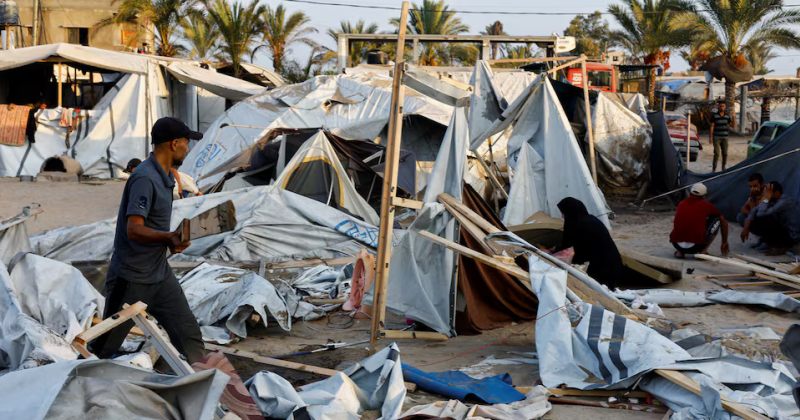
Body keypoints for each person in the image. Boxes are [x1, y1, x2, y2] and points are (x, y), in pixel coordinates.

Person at [90, 117, 205, 363]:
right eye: (186, 143)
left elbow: (154, 228)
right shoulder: (145, 178)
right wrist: (168, 237)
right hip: (131, 279)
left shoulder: (167, 177)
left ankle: (209, 385)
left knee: (189, 335)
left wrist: (174, 240)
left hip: (159, 275)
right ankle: (77, 386)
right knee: (103, 348)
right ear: (175, 144)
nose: (188, 148)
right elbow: (134, 229)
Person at [556, 197, 623, 289]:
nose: (562, 217)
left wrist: (556, 255)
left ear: (571, 212)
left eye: (564, 213)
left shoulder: (581, 225)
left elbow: (577, 250)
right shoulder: (589, 219)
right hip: (612, 264)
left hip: (604, 268)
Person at [670, 183, 730, 258]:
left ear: (690, 193)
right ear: (704, 196)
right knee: (718, 219)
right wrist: (724, 242)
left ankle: (680, 252)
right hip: (695, 247)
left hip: (676, 244)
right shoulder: (706, 205)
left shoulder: (681, 203)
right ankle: (703, 251)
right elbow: (723, 221)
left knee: (683, 221)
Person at [741, 181, 800, 255]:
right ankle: (767, 242)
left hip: (792, 236)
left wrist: (766, 198)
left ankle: (780, 246)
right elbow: (754, 211)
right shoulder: (773, 199)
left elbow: (761, 214)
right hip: (783, 231)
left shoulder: (784, 201)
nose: (765, 193)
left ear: (777, 192)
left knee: (765, 218)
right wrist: (745, 228)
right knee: (742, 217)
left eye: (768, 192)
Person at [710, 102, 731, 172]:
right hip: (716, 137)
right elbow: (712, 126)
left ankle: (723, 167)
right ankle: (714, 169)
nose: (722, 107)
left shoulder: (727, 116)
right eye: (720, 106)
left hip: (725, 137)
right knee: (717, 153)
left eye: (723, 106)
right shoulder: (714, 116)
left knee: (725, 153)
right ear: (718, 107)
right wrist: (710, 137)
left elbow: (730, 125)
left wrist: (733, 120)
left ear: (725, 107)